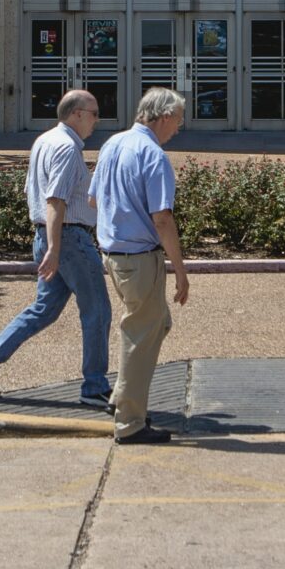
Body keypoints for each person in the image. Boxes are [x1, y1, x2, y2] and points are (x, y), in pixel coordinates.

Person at [0, 90, 110, 408]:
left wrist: (51, 246)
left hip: (49, 237)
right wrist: (56, 250)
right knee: (97, 311)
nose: (97, 120)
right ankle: (95, 387)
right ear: (76, 114)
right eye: (94, 112)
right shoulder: (67, 147)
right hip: (68, 240)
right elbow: (55, 200)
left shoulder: (44, 141)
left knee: (43, 310)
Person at [94, 86, 192, 444]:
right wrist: (180, 270)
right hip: (139, 257)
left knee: (155, 323)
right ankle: (130, 423)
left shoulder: (113, 144)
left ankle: (121, 397)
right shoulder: (154, 155)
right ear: (164, 117)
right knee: (141, 335)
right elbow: (163, 218)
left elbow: (94, 197)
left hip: (114, 255)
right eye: (178, 121)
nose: (178, 129)